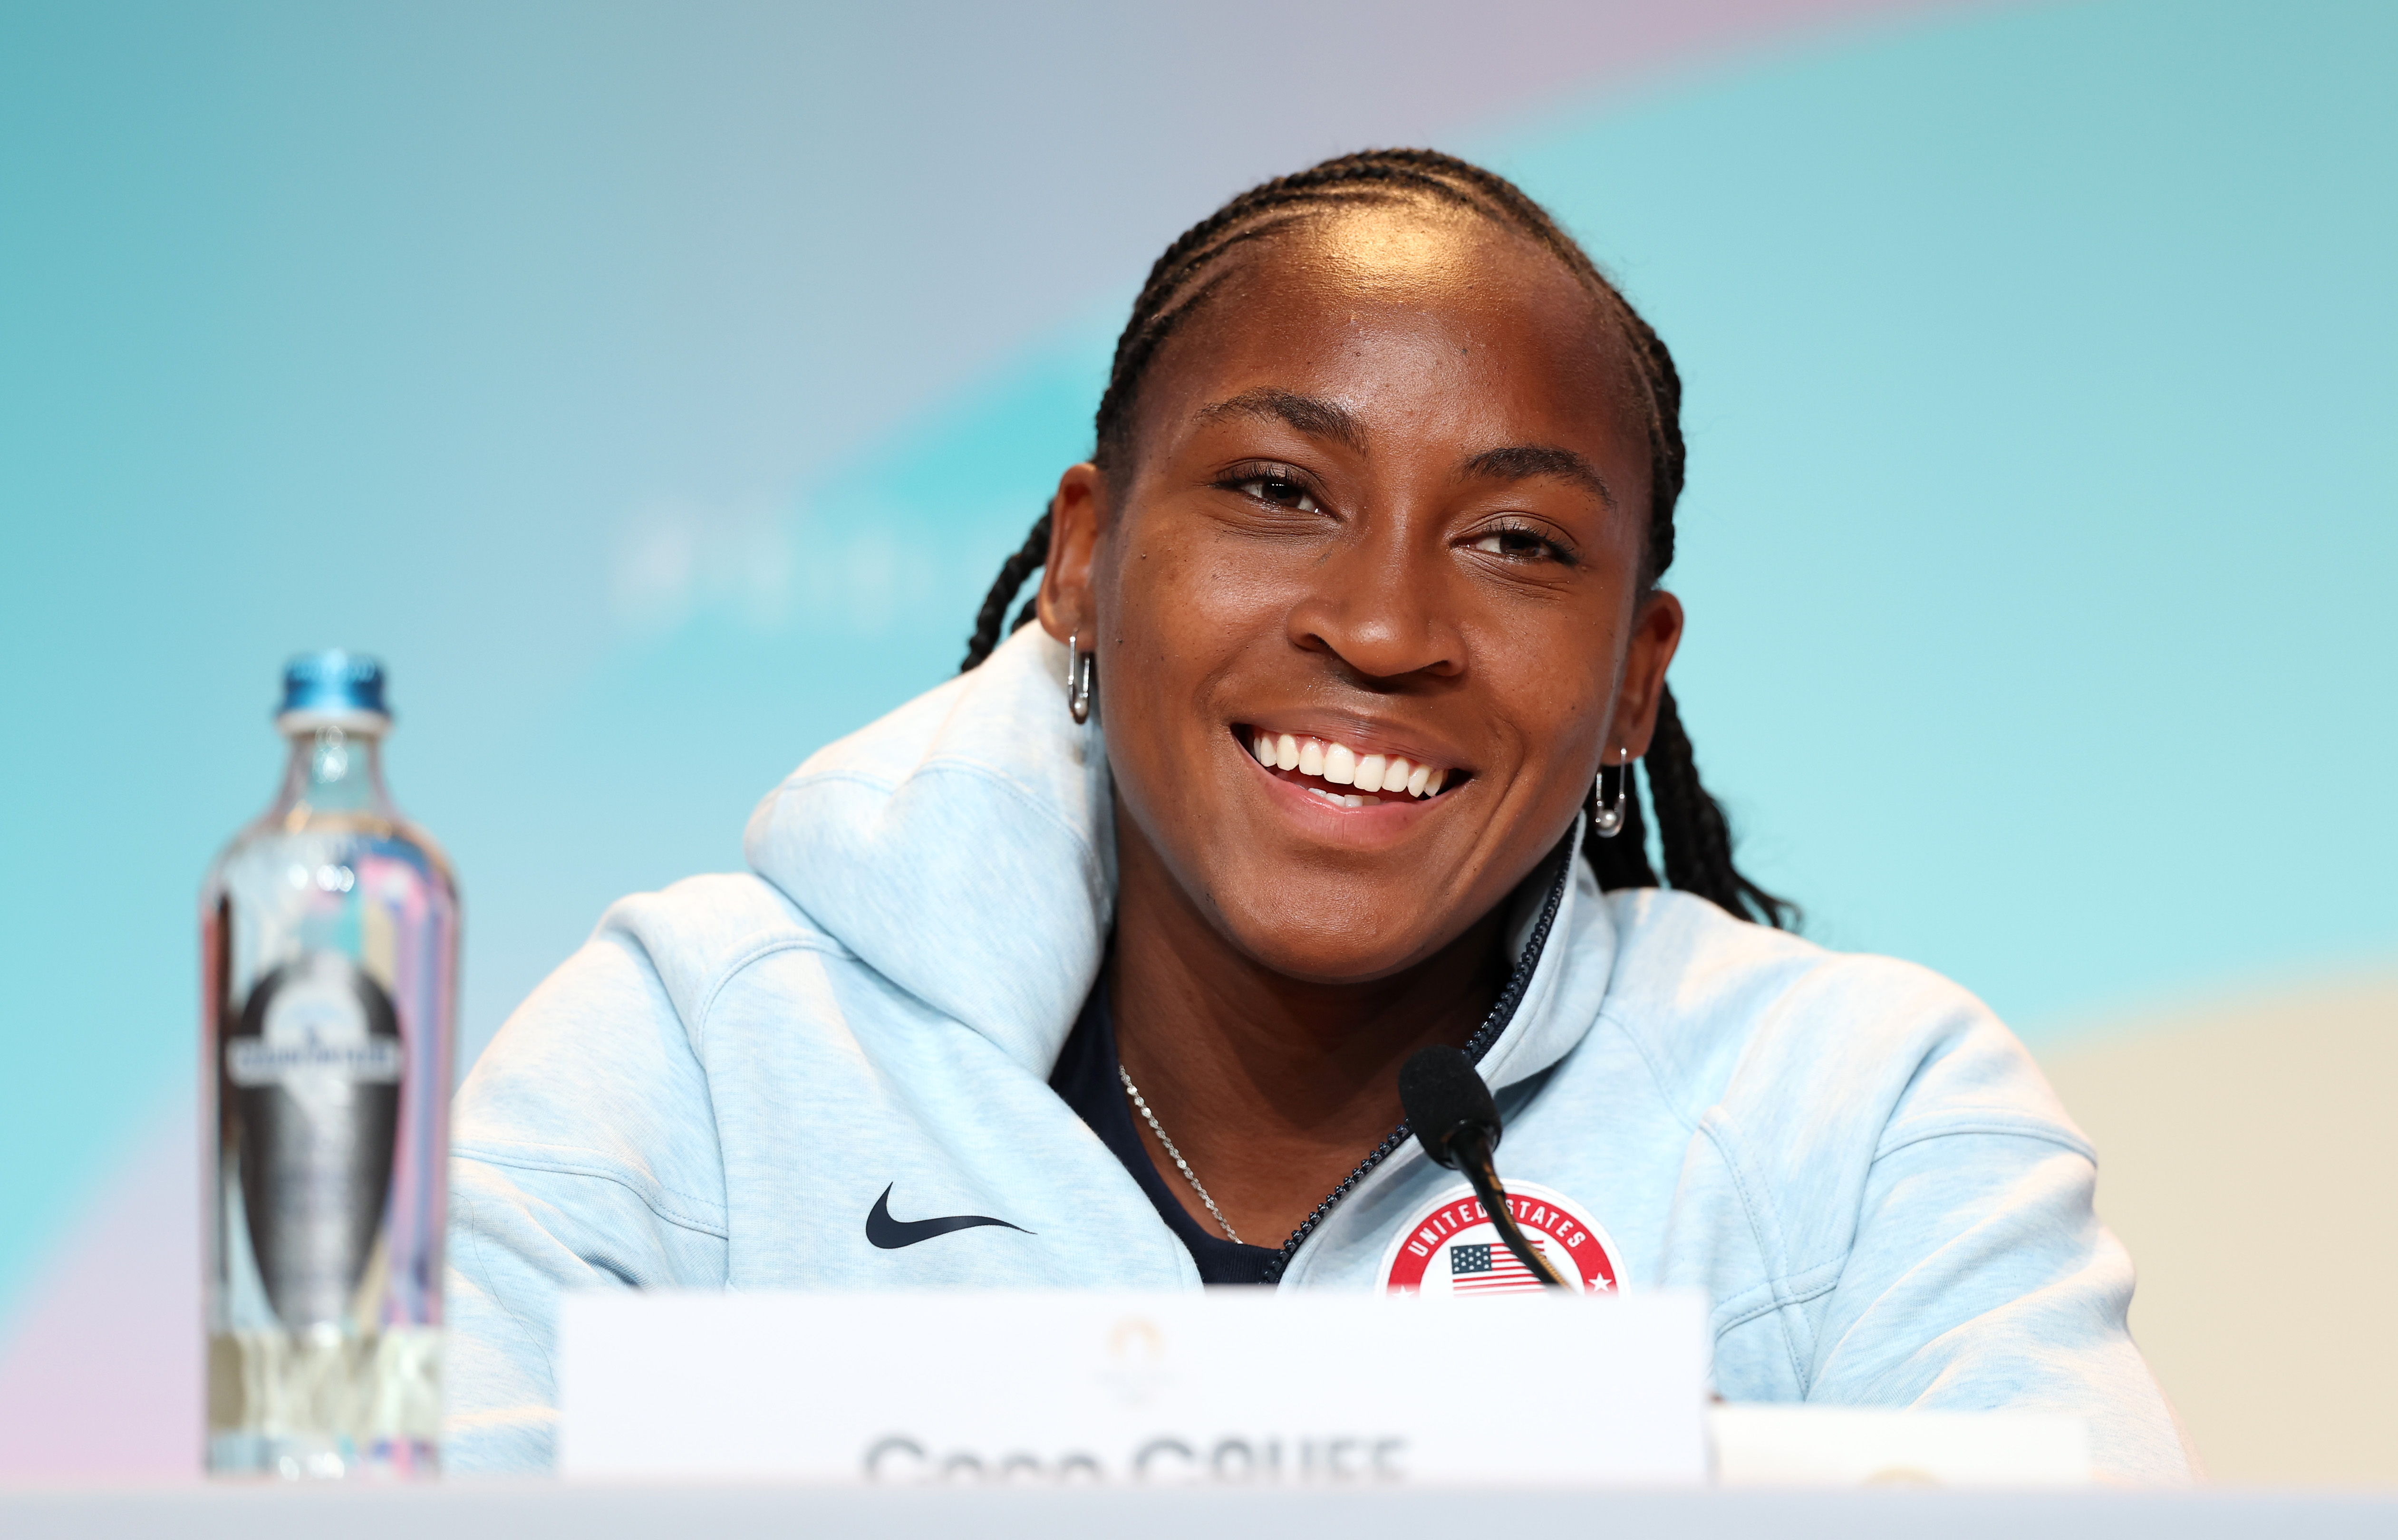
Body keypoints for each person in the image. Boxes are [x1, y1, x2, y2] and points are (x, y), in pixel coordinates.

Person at [445, 149, 2192, 1479]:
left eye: (1515, 542)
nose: (1379, 628)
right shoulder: (689, 1060)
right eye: (1277, 493)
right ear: (1082, 555)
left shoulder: (1863, 1117)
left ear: (1633, 678)